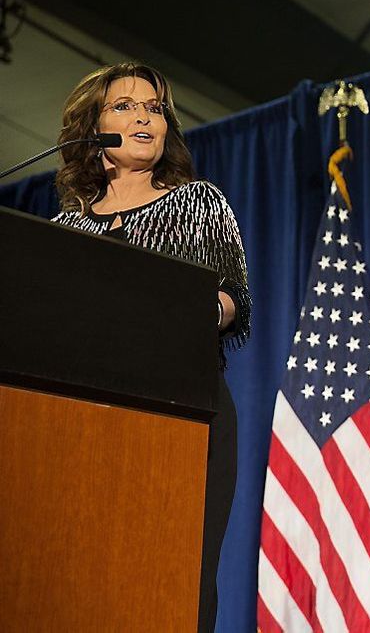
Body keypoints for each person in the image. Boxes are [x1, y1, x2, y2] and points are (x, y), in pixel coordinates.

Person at [51, 62, 251, 631]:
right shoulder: (66, 231)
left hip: (182, 407)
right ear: (93, 128)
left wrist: (183, 313)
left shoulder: (197, 203)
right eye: (125, 106)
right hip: (85, 420)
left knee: (175, 574)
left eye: (154, 108)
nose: (144, 117)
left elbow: (234, 296)